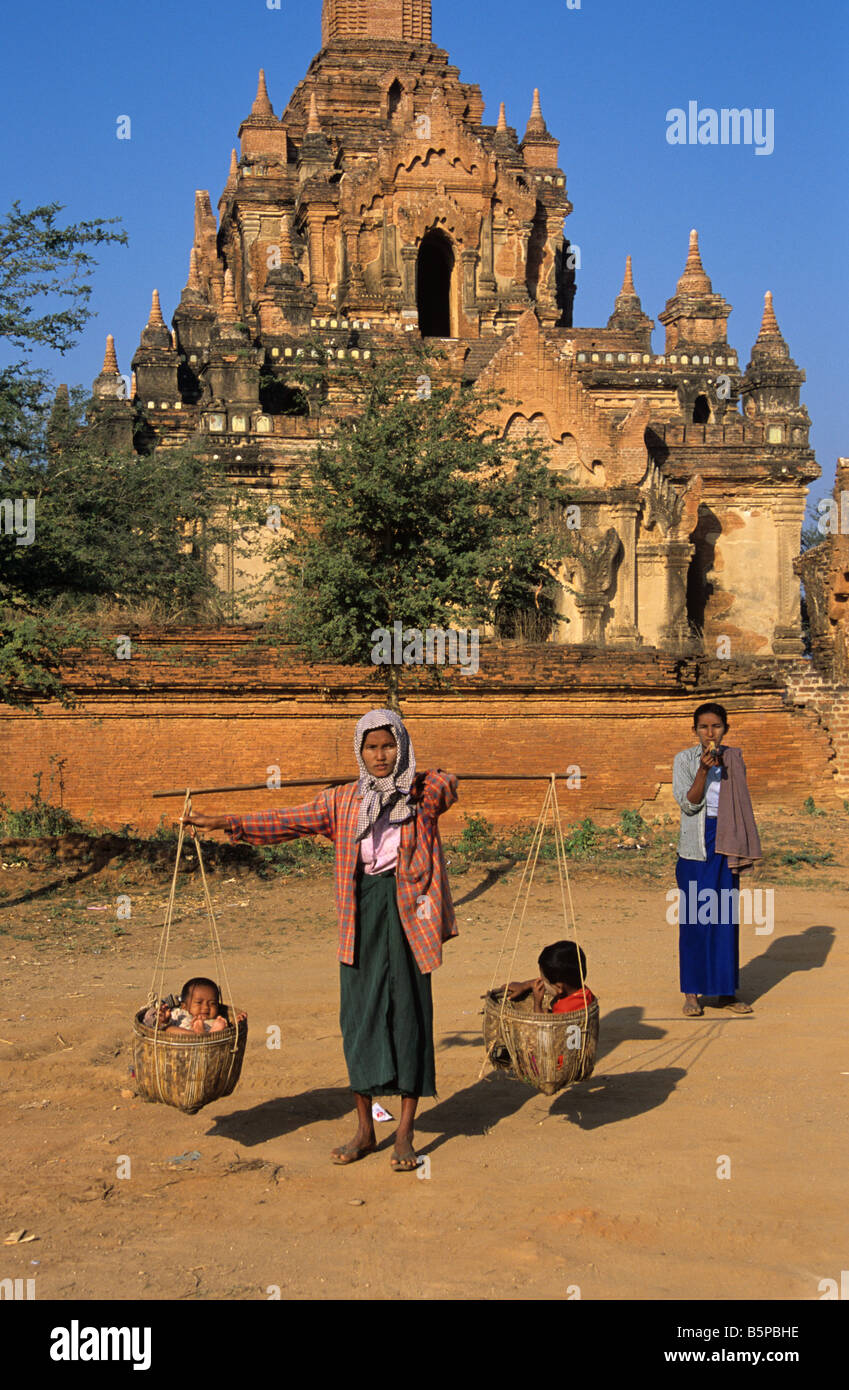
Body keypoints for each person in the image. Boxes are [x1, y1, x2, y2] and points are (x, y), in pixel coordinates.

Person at [180, 709, 458, 1173]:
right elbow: (286, 820)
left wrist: (411, 778)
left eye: (389, 746)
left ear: (402, 747)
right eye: (371, 748)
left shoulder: (421, 796)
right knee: (359, 1017)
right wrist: (226, 823)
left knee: (410, 1013)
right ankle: (366, 1128)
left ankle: (405, 1133)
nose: (381, 755)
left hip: (411, 912)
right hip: (362, 911)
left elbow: (449, 783)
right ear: (359, 752)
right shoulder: (342, 801)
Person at [673, 702, 762, 1018]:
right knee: (696, 920)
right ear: (694, 729)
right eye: (703, 727)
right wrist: (704, 770)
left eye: (716, 727)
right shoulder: (684, 760)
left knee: (724, 919)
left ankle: (726, 992)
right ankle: (692, 993)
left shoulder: (735, 759)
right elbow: (689, 804)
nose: (710, 733)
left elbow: (738, 807)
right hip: (696, 847)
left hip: (726, 844)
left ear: (726, 728)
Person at [503, 940, 595, 1014]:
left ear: (559, 987)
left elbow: (543, 1029)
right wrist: (525, 985)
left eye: (543, 980)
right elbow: (553, 983)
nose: (540, 981)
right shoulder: (585, 993)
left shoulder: (564, 1010)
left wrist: (537, 1004)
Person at [142, 977, 244, 1036]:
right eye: (199, 1003)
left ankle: (202, 1036)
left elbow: (230, 1030)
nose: (206, 1007)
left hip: (208, 1045)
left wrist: (235, 1021)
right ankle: (198, 1036)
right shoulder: (179, 1013)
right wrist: (163, 1019)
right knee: (166, 1029)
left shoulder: (215, 1019)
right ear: (184, 1006)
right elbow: (148, 1020)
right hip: (180, 1043)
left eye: (212, 1003)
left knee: (220, 1027)